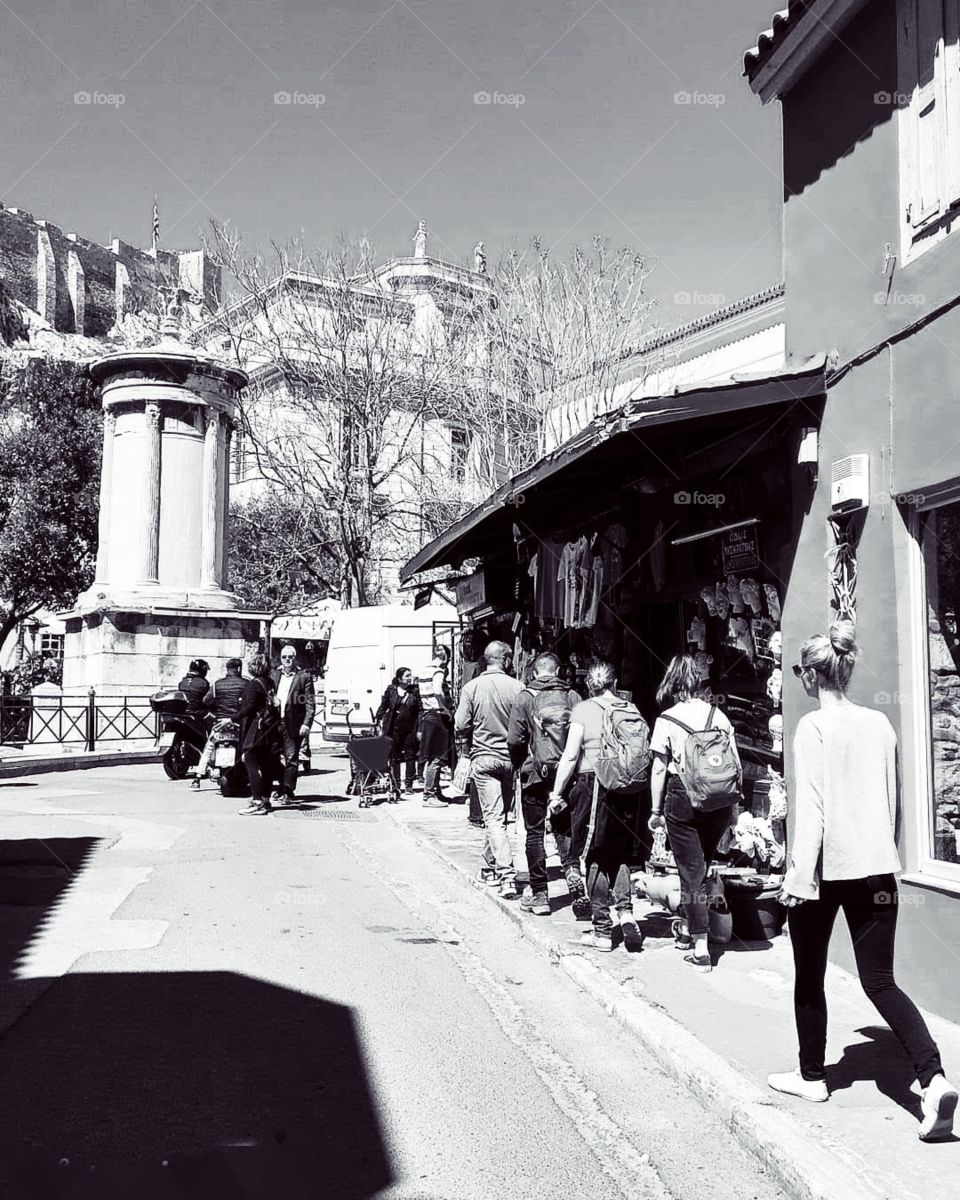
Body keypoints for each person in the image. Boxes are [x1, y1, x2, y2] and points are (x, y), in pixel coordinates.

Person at [769, 621, 957, 1140]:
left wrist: (798, 879)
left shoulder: (812, 728)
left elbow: (811, 810)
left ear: (811, 674)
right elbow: (894, 801)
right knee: (879, 981)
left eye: (798, 671)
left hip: (826, 871)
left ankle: (812, 1076)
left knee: (810, 977)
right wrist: (885, 853)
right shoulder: (880, 723)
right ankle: (933, 1077)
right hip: (876, 868)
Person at [648, 655, 740, 972]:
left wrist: (655, 809)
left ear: (672, 683)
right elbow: (735, 765)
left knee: (691, 872)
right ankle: (690, 927)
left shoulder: (667, 719)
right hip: (719, 799)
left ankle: (701, 946)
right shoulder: (719, 715)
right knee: (702, 867)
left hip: (682, 795)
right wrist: (735, 810)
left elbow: (659, 769)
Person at [550, 661, 646, 951]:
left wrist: (556, 793)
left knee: (594, 855)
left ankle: (602, 930)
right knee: (619, 853)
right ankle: (627, 914)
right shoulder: (631, 709)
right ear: (614, 684)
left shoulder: (583, 710)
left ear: (589, 686)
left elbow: (569, 755)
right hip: (628, 788)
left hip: (594, 785)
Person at [508, 652, 585, 916]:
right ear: (559, 670)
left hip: (534, 773)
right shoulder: (573, 696)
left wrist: (519, 766)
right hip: (567, 774)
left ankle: (540, 895)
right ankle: (573, 870)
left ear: (534, 672)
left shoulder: (525, 697)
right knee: (564, 828)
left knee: (535, 833)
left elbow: (515, 739)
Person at [455, 640, 523, 897]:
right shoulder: (519, 688)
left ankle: (506, 875)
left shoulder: (471, 687)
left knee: (493, 818)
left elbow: (460, 724)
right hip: (509, 760)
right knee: (498, 817)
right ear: (505, 660)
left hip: (483, 758)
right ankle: (488, 867)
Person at [235, 653, 282, 816]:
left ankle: (256, 802)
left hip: (256, 729)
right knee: (266, 766)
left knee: (251, 764)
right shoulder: (270, 682)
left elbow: (248, 708)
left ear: (253, 667)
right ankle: (266, 800)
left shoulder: (253, 684)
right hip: (269, 731)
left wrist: (232, 718)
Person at [270, 645, 316, 805]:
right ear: (280, 659)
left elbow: (310, 703)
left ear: (294, 658)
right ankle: (283, 784)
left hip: (293, 724)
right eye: (284, 657)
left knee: (291, 758)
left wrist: (306, 724)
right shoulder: (274, 675)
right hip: (274, 723)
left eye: (290, 656)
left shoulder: (303, 677)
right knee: (270, 756)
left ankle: (288, 792)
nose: (287, 660)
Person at [190, 658, 245, 790]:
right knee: (248, 748)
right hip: (237, 724)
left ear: (227, 669)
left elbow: (206, 701)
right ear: (239, 669)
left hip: (220, 724)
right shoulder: (246, 684)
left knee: (208, 748)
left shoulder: (217, 685)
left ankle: (197, 778)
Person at [417, 648, 455, 808]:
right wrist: (446, 709)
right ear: (445, 658)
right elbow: (438, 691)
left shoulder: (423, 671)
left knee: (432, 756)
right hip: (438, 716)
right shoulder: (438, 672)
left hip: (428, 716)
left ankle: (435, 790)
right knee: (437, 757)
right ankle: (429, 794)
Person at [375, 667, 421, 795]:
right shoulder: (391, 690)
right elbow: (384, 705)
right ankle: (396, 784)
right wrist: (378, 717)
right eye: (407, 676)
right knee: (395, 757)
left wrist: (420, 728)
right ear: (400, 678)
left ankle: (409, 785)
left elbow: (419, 710)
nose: (409, 678)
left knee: (410, 756)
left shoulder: (414, 691)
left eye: (410, 675)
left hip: (410, 728)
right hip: (394, 728)